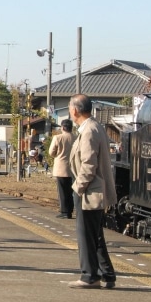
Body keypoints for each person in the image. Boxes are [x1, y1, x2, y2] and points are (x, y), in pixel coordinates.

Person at [67, 94, 117, 289]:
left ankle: (89, 276)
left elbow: (89, 164)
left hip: (89, 191)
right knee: (95, 234)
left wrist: (78, 188)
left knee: (86, 235)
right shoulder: (95, 127)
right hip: (94, 190)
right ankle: (107, 274)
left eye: (70, 108)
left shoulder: (88, 131)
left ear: (75, 110)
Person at [49, 119, 75, 219]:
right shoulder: (76, 138)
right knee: (70, 191)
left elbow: (51, 152)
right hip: (73, 168)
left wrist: (57, 154)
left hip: (61, 168)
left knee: (62, 191)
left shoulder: (58, 138)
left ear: (63, 127)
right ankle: (70, 210)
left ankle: (64, 211)